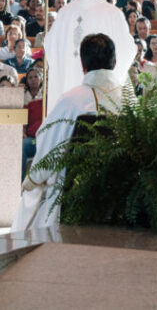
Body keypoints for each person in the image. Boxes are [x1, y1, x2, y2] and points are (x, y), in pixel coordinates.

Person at [12, 33, 127, 232]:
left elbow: (48, 151)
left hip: (70, 197)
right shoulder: (130, 102)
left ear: (82, 65)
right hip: (121, 198)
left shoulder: (71, 101)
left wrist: (33, 179)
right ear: (115, 62)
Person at [42, 0, 137, 110]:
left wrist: (70, 63)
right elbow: (127, 50)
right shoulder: (113, 13)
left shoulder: (65, 12)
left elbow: (50, 45)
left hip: (68, 84)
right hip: (101, 93)